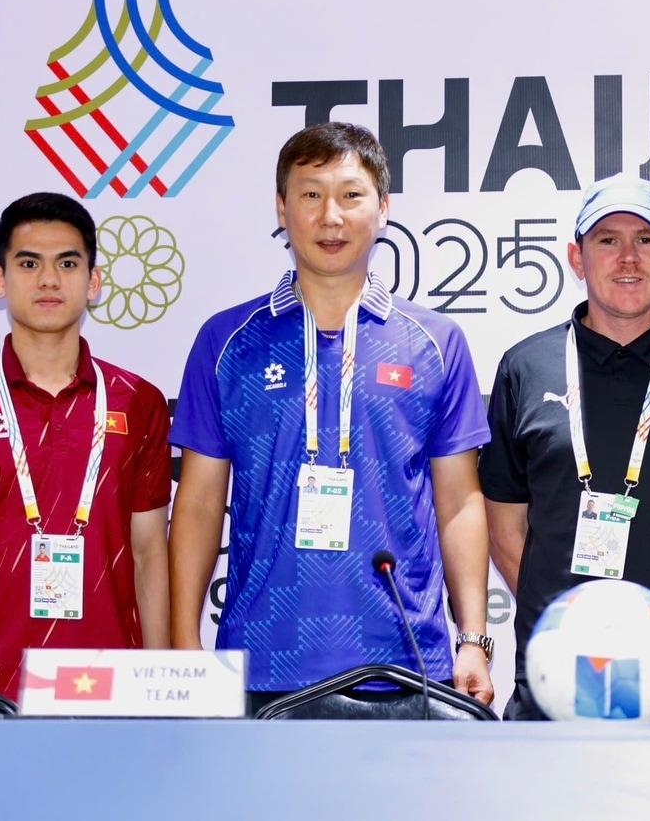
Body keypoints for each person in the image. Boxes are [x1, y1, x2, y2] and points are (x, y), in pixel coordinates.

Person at [168, 122, 495, 710]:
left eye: (351, 195)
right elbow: (195, 503)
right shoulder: (228, 341)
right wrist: (185, 639)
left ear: (383, 208)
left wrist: (472, 639)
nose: (330, 217)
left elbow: (459, 501)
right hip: (261, 657)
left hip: (406, 659)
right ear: (281, 207)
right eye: (311, 194)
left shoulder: (432, 341)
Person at [480, 173, 650, 721]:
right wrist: (575, 617)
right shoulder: (525, 366)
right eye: (607, 240)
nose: (627, 257)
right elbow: (503, 525)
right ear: (576, 258)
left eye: (646, 240)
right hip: (559, 668)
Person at [0, 192, 172, 698]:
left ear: (94, 282)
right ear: (0, 279)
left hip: (114, 692)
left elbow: (150, 553)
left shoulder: (139, 403)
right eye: (29, 263)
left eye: (68, 263)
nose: (48, 280)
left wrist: (160, 692)